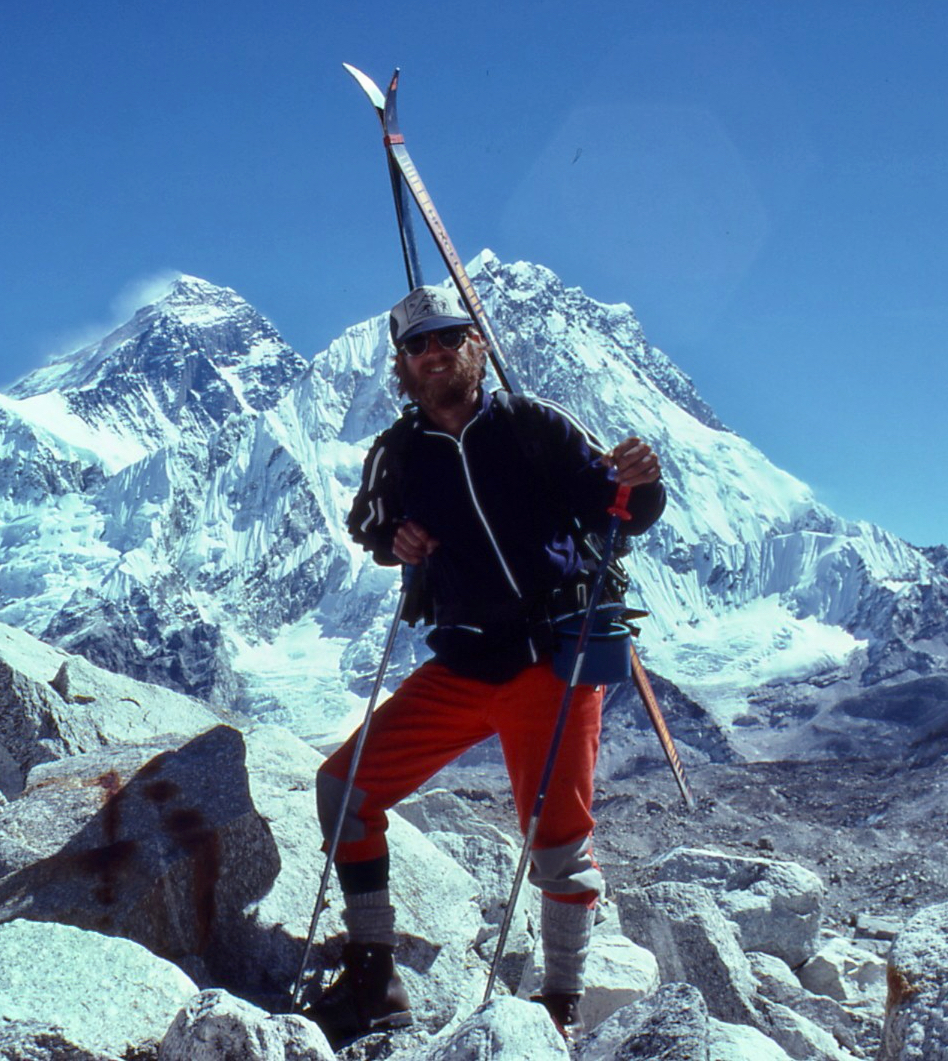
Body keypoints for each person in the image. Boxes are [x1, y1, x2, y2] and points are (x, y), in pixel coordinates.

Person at [309, 285, 665, 1048]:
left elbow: (620, 509)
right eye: (418, 345)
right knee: (344, 789)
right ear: (402, 364)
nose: (435, 353)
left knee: (560, 846)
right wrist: (395, 539)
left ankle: (559, 1008)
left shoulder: (533, 424)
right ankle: (374, 980)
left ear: (477, 344)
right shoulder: (399, 452)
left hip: (549, 660)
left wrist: (643, 478)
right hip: (464, 662)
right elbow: (367, 523)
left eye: (450, 337)